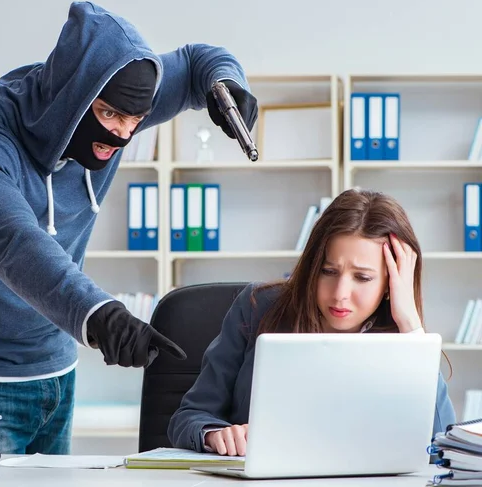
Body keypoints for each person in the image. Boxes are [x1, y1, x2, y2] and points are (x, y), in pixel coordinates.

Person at [0, 1, 258, 455]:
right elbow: (15, 244)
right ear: (72, 96)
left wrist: (225, 84)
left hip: (55, 368)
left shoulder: (123, 95)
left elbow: (194, 62)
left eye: (135, 121)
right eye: (110, 116)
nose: (123, 135)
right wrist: (99, 316)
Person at [167, 188, 456, 456]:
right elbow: (189, 417)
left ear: (391, 284)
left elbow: (443, 441)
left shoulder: (403, 340)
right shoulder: (258, 307)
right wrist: (214, 434)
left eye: (363, 278)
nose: (340, 294)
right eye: (328, 271)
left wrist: (412, 328)